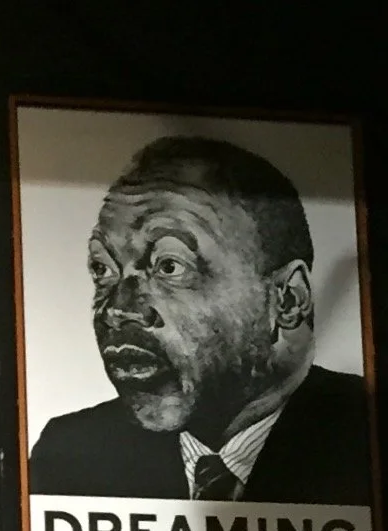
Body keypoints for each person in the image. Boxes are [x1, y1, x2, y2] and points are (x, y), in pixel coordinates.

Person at [29, 136, 372, 505]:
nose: (118, 309)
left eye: (169, 266)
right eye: (103, 268)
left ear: (288, 298)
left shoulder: (365, 438)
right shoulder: (72, 456)